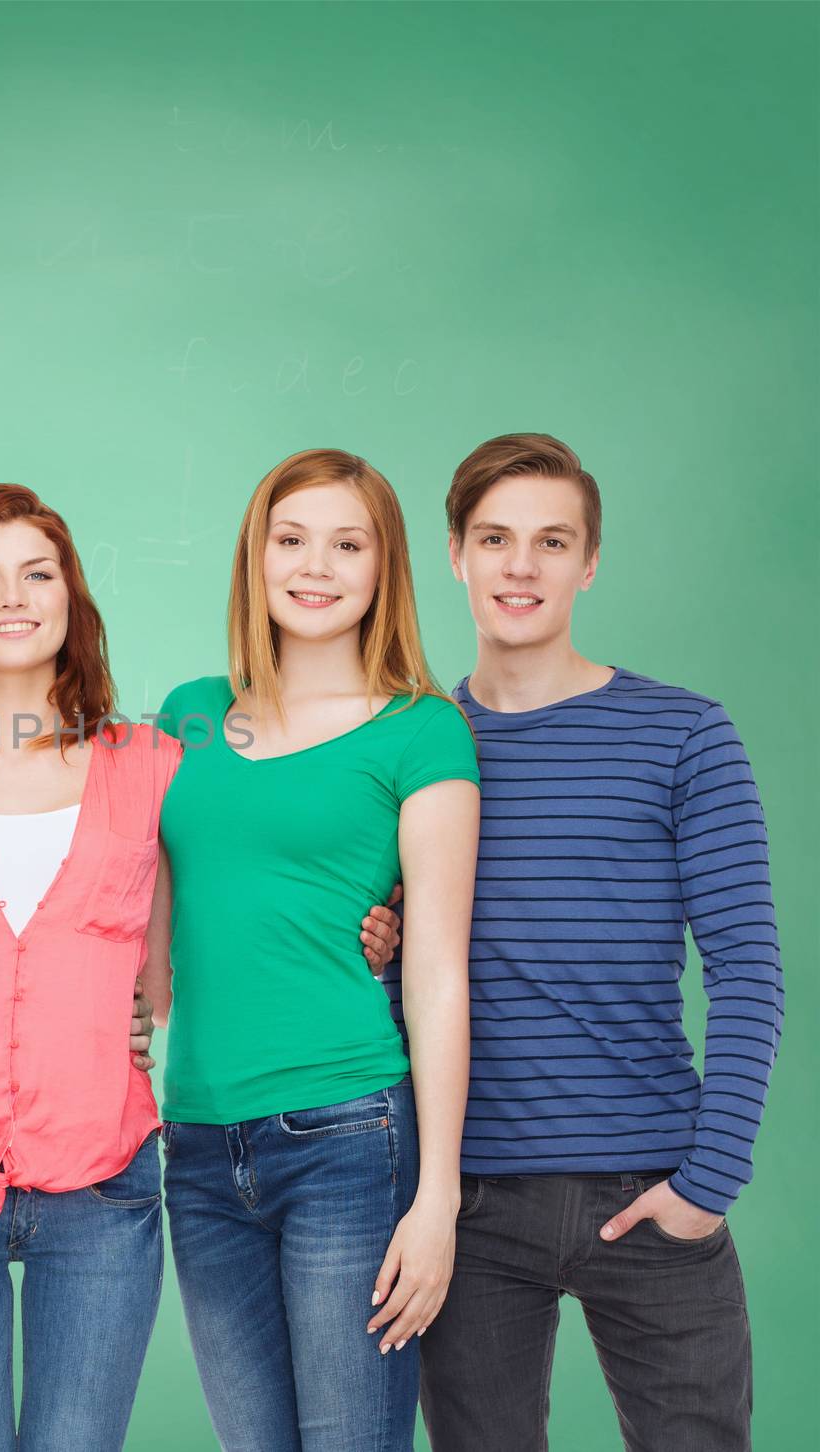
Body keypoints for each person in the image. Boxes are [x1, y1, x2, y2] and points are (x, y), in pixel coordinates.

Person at [0, 483, 407, 1452]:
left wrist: (379, 913)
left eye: (38, 573)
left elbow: (269, 850)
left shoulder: (156, 760)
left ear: (73, 599)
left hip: (103, 1184)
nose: (12, 597)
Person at [413, 434, 783, 1452]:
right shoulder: (413, 746)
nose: (519, 566)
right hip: (468, 1204)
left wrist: (708, 1183)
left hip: (652, 1191)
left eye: (550, 541)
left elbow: (747, 970)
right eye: (494, 539)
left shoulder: (684, 735)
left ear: (588, 562)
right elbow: (402, 967)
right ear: (455, 554)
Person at [144, 448, 480, 1452]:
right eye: (290, 540)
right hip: (198, 1145)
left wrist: (437, 1201)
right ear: (256, 556)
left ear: (385, 568)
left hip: (349, 1137)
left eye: (347, 543)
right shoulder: (188, 715)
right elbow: (140, 945)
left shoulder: (422, 731)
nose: (314, 566)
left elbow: (435, 973)